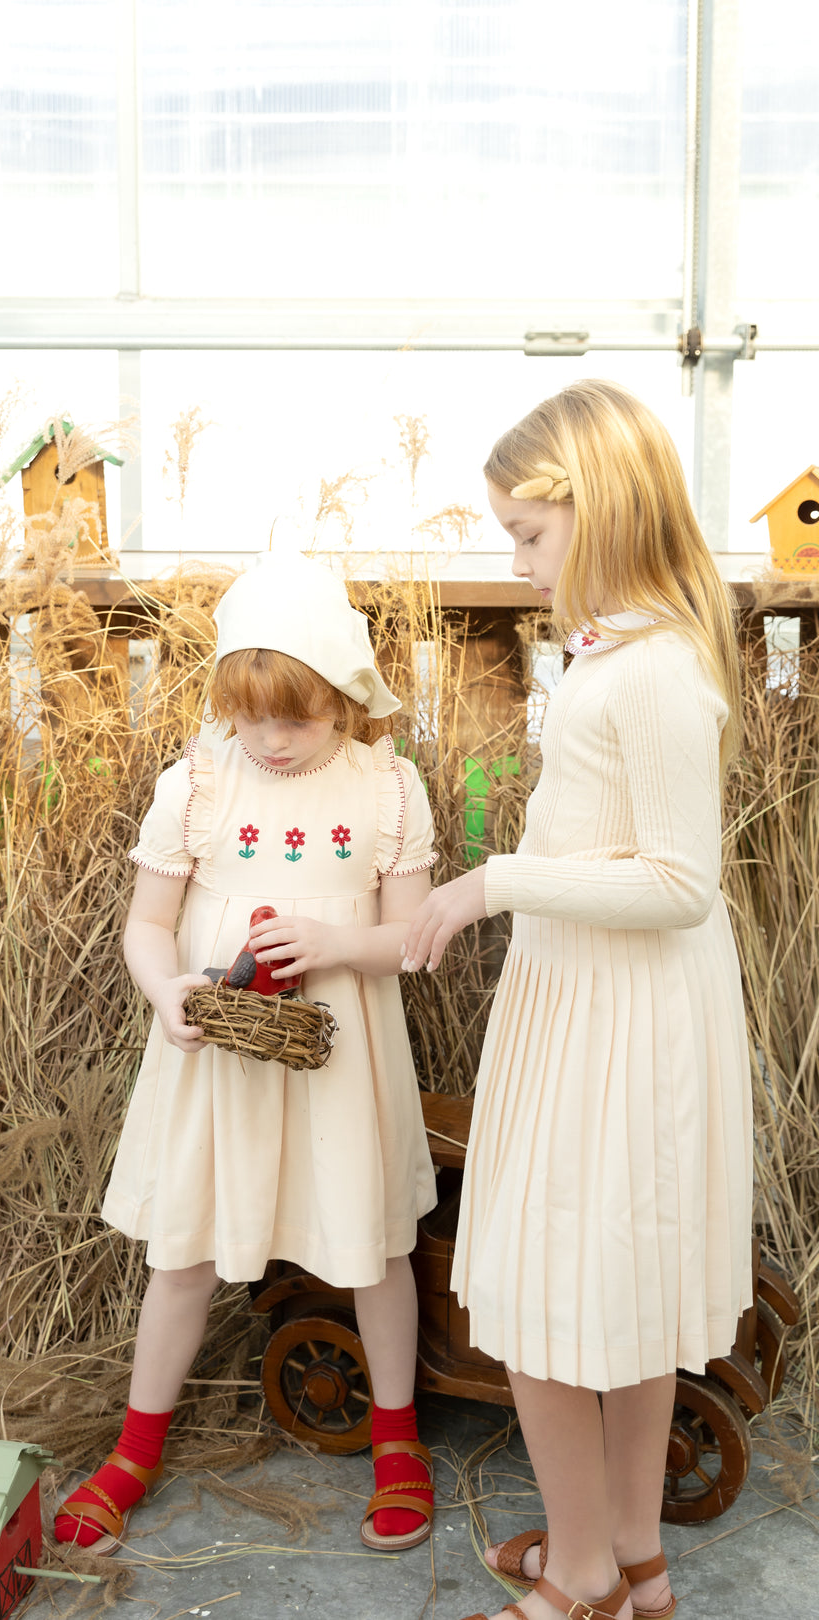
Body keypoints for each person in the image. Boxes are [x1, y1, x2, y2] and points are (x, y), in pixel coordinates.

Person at [401, 380, 751, 1620]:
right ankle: (630, 1558)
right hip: (595, 1002)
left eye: (529, 536)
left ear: (598, 513)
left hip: (620, 1019)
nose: (519, 560)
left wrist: (492, 880)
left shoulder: (651, 670)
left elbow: (678, 882)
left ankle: (589, 1577)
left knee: (552, 1303)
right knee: (617, 1296)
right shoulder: (624, 652)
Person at [56, 553, 439, 1554]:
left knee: (374, 1248)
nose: (273, 739)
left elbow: (407, 939)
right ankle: (138, 1445)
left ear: (347, 699)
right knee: (180, 1252)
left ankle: (395, 1437)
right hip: (214, 1057)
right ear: (227, 698)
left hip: (340, 1062)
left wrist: (334, 944)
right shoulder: (195, 784)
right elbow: (147, 924)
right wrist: (164, 988)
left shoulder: (388, 789)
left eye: (299, 716)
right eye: (253, 713)